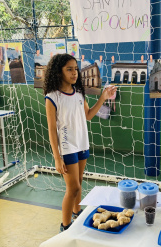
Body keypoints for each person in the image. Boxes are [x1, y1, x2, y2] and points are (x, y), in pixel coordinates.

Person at [43, 54, 117, 232]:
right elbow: (52, 129)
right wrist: (57, 157)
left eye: (75, 69)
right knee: (73, 187)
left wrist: (103, 97)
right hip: (67, 147)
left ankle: (77, 212)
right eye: (69, 69)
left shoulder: (78, 93)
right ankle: (65, 226)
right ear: (58, 72)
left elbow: (88, 115)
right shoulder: (52, 97)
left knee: (79, 182)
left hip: (82, 144)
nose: (74, 73)